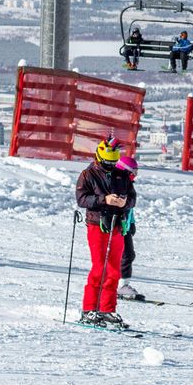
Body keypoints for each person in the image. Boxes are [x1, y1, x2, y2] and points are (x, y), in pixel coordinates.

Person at [75, 137, 137, 326]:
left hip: (117, 224)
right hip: (97, 224)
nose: (110, 166)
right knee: (99, 267)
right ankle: (89, 309)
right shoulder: (88, 174)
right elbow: (82, 199)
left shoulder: (121, 175)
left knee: (113, 269)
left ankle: (107, 309)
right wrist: (104, 200)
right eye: (107, 163)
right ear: (99, 158)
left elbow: (133, 197)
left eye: (113, 163)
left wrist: (125, 202)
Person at [115, 152, 144, 301]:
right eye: (134, 171)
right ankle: (120, 285)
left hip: (125, 225)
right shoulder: (118, 183)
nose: (135, 175)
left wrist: (132, 223)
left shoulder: (128, 184)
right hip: (117, 226)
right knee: (124, 255)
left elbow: (129, 209)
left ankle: (121, 284)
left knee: (128, 255)